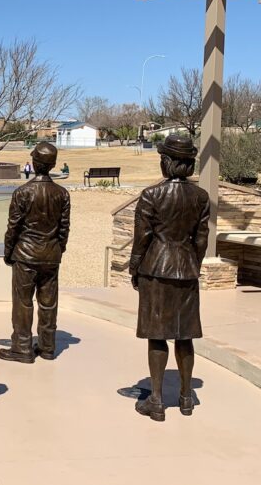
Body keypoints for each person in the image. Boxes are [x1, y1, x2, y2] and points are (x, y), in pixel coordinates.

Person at [129, 135, 209, 422]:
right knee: (185, 334)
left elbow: (142, 238)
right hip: (186, 268)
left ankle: (157, 399)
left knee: (157, 335)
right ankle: (186, 397)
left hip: (156, 269)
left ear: (167, 162)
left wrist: (134, 267)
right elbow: (201, 239)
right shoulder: (201, 197)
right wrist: (191, 264)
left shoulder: (152, 195)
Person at [0, 142, 70, 364]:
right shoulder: (62, 193)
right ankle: (48, 346)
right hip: (50, 254)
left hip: (26, 255)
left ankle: (22, 347)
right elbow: (64, 228)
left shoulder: (23, 192)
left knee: (23, 302)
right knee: (49, 303)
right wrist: (58, 249)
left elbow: (13, 228)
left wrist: (8, 252)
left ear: (35, 164)